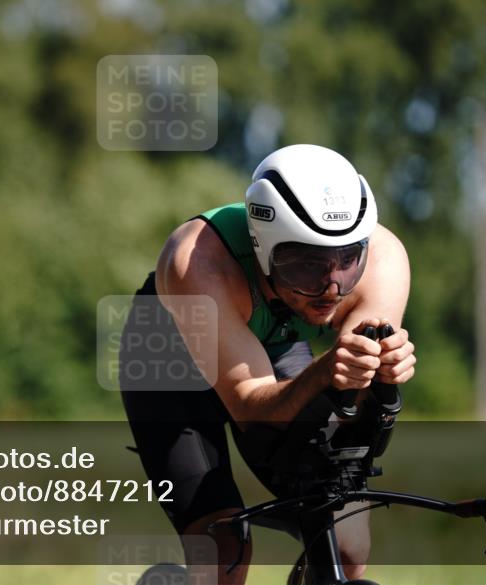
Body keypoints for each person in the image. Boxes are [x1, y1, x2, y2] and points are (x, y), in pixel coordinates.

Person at [120, 144, 416, 584]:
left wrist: (378, 375)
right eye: (307, 266)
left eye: (346, 263)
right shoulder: (198, 260)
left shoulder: (384, 259)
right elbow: (250, 403)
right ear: (263, 247)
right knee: (226, 551)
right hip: (171, 359)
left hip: (270, 345)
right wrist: (326, 369)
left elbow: (347, 401)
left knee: (348, 547)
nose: (331, 288)